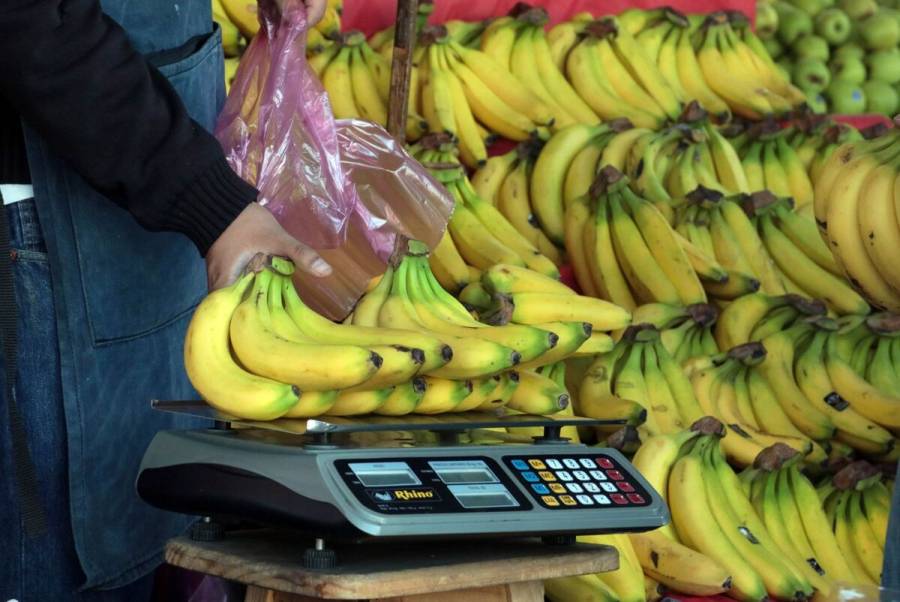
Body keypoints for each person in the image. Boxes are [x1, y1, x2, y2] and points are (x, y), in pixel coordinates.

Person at [0, 0, 329, 599]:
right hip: (42, 223)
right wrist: (210, 201)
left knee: (143, 530)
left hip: (150, 204)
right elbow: (30, 22)